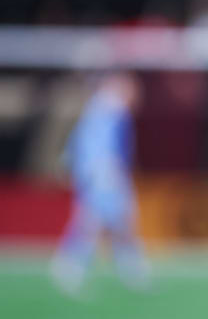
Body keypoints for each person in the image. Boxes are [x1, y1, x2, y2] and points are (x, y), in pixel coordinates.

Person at [50, 72, 149, 295]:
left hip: (99, 174)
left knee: (109, 223)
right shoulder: (110, 109)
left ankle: (131, 271)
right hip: (105, 175)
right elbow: (103, 147)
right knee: (98, 223)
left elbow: (78, 143)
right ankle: (71, 268)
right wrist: (104, 173)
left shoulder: (99, 108)